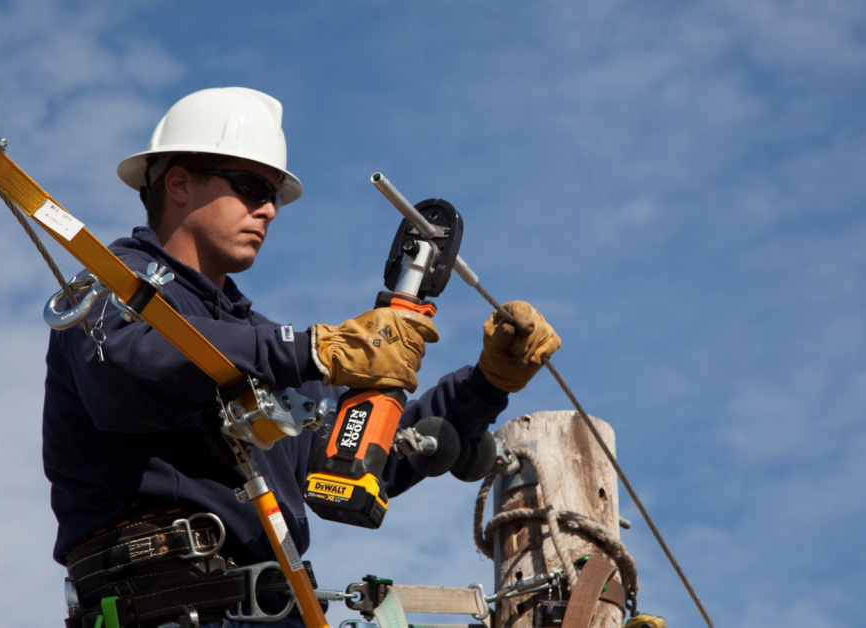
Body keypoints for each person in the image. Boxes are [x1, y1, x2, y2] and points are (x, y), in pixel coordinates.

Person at [42, 87, 560, 628]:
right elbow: (130, 368)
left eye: (275, 197)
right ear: (178, 182)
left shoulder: (255, 340)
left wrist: (485, 384)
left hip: (275, 610)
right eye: (249, 188)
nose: (267, 209)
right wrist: (312, 348)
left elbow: (354, 453)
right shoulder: (104, 289)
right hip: (162, 608)